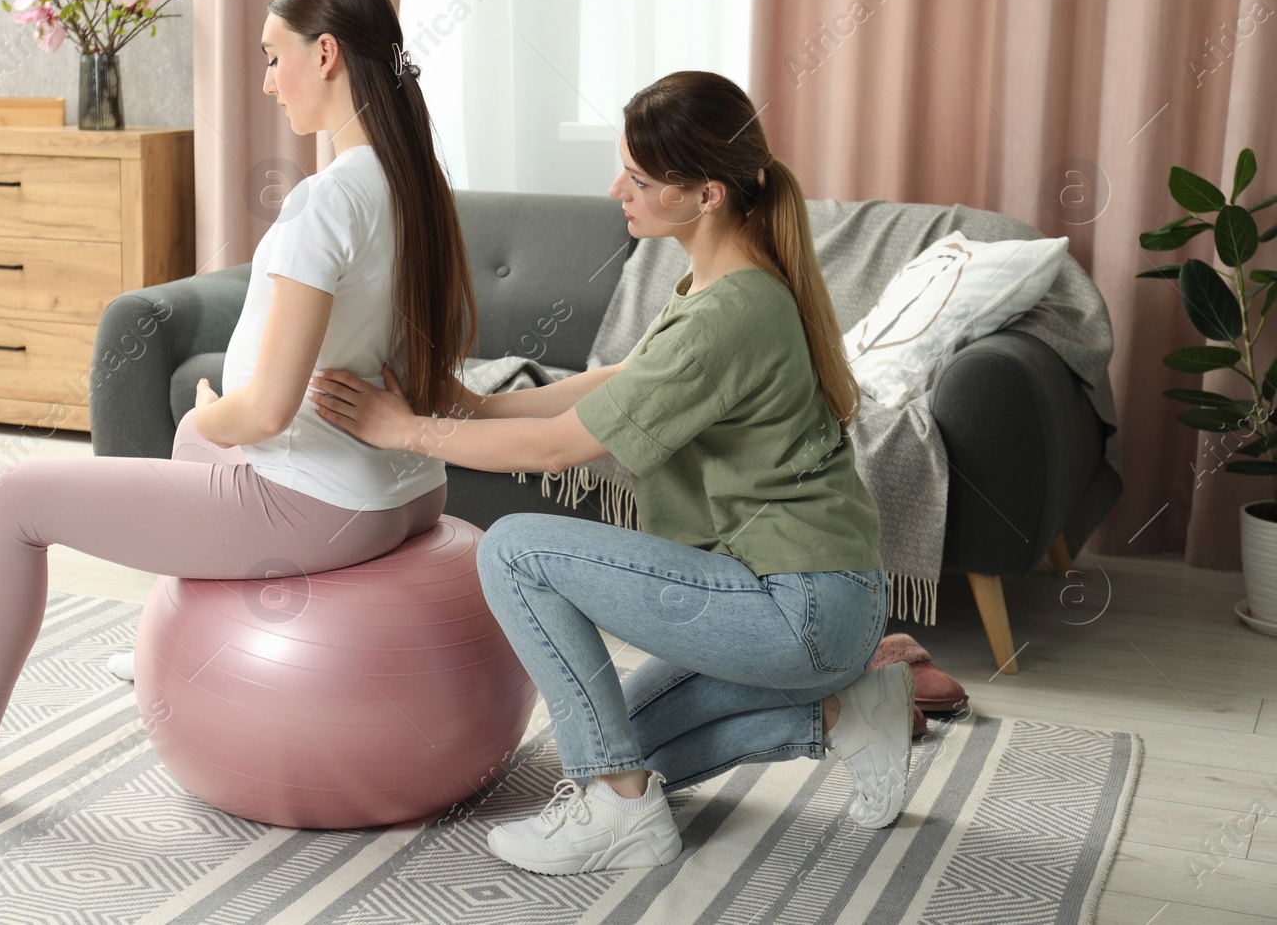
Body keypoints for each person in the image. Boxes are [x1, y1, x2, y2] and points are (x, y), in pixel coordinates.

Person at [0, 0, 478, 813]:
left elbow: (271, 408)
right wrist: (220, 423)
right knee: (197, 440)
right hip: (405, 492)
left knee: (13, 498)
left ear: (326, 55)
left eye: (274, 57)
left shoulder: (326, 204)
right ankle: (171, 648)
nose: (267, 80)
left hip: (317, 502)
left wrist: (224, 411)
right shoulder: (414, 183)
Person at [308, 70, 912, 875]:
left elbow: (563, 449)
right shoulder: (719, 281)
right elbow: (611, 385)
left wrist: (409, 431)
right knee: (616, 739)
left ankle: (623, 815)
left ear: (708, 194)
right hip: (803, 600)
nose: (614, 188)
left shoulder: (732, 312)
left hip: (796, 604)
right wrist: (467, 406)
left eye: (637, 177)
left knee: (513, 550)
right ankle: (842, 710)